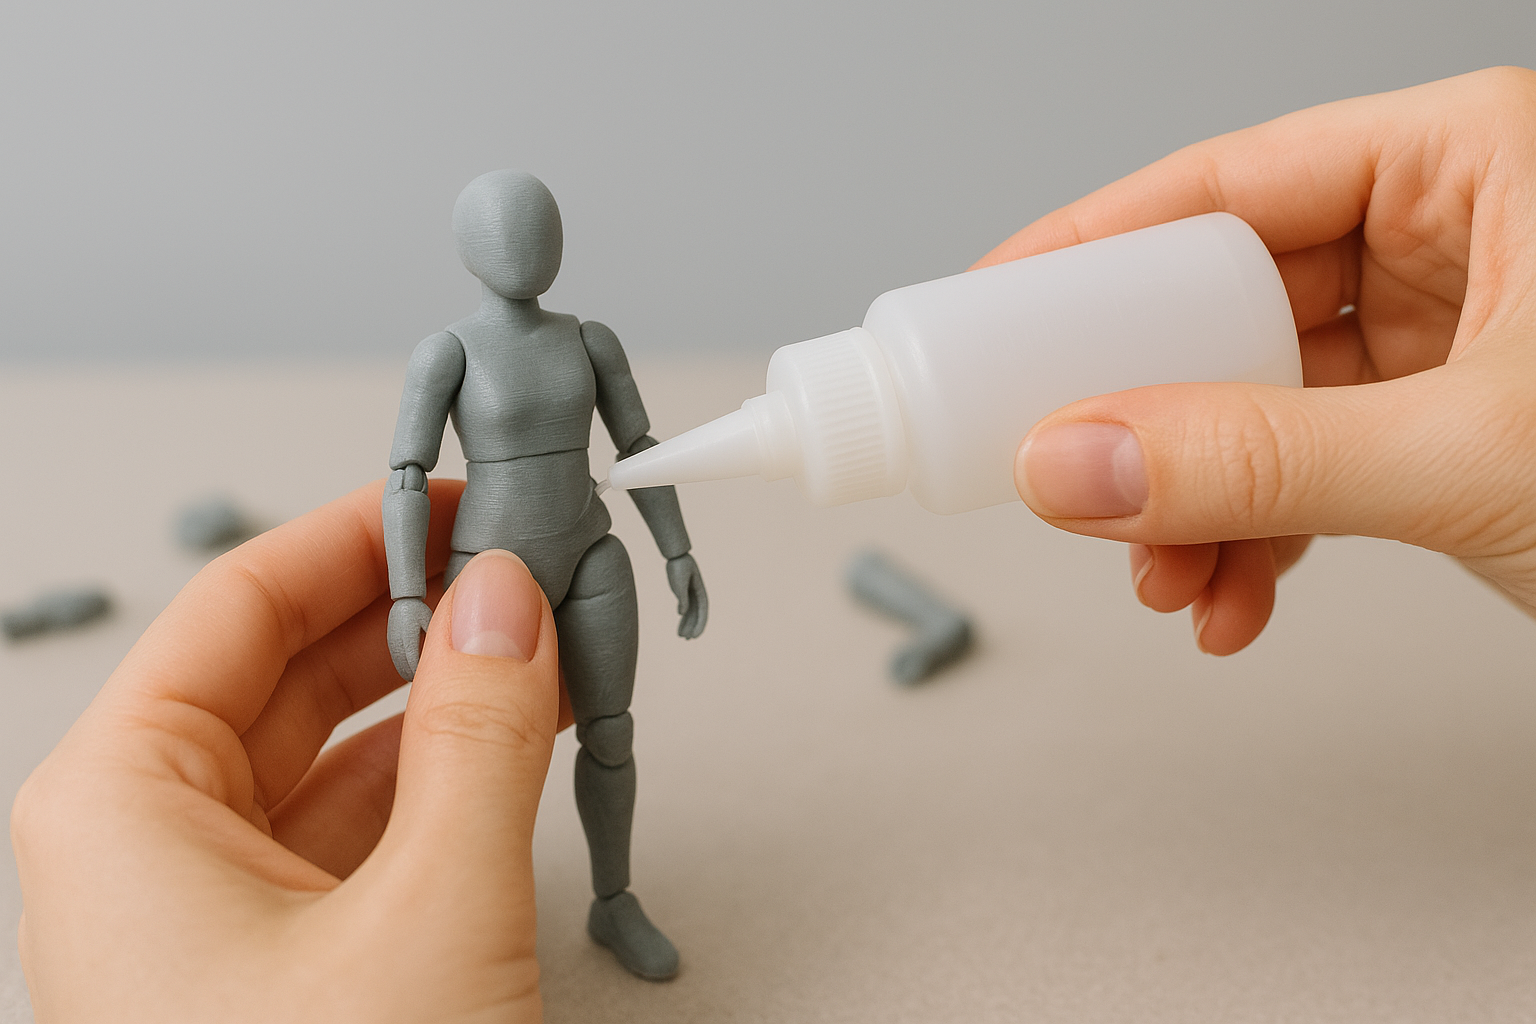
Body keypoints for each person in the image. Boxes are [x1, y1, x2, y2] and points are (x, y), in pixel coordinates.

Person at [13, 66, 1535, 1021]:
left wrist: (671, 555)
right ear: (481, 252)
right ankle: (410, 895)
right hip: (489, 574)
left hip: (591, 555)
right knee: (469, 745)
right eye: (509, 228)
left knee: (604, 733)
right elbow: (407, 468)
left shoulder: (592, 335)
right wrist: (414, 591)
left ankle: (609, 894)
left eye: (541, 225)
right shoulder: (448, 351)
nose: (530, 247)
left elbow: (645, 453)